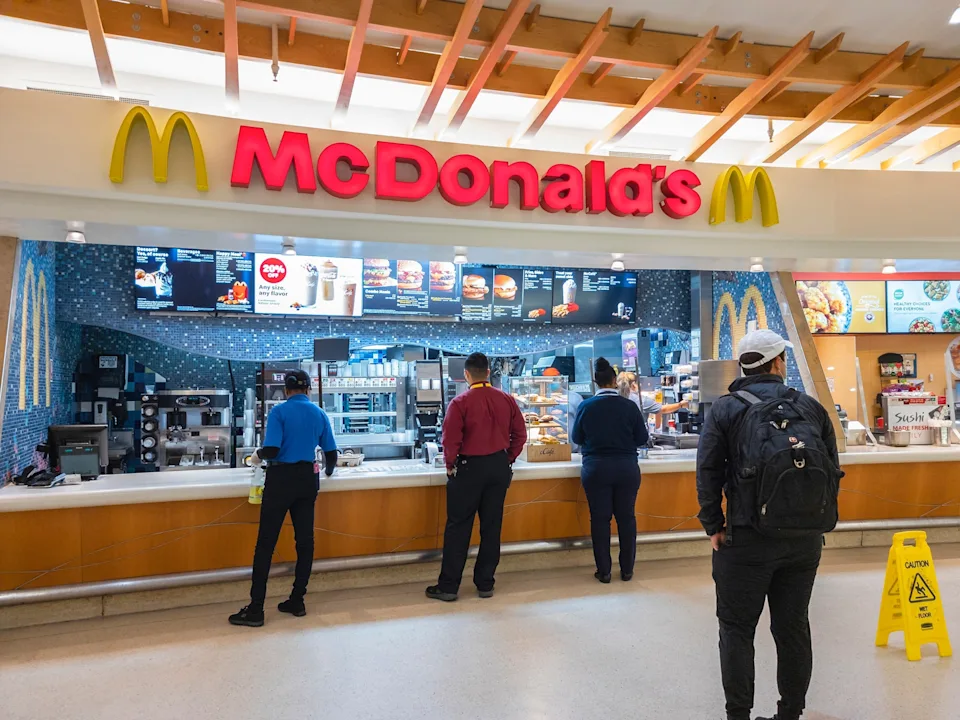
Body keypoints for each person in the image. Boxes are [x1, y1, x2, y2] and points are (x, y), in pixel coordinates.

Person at [696, 329, 842, 720]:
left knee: (737, 630)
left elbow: (708, 470)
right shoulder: (810, 406)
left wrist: (714, 524)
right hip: (804, 541)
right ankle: (790, 713)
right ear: (778, 363)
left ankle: (739, 716)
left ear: (744, 365)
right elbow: (832, 467)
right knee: (793, 628)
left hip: (745, 539)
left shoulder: (726, 409)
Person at [230, 370, 339, 627]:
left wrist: (256, 456)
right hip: (306, 480)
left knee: (266, 543)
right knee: (305, 542)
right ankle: (297, 600)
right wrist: (329, 472)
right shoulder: (319, 413)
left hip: (281, 481)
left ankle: (256, 608)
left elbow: (272, 450)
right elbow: (331, 455)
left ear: (287, 390)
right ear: (309, 390)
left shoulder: (279, 412)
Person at [426, 352, 526, 602]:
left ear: (466, 375)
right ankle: (485, 583)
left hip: (469, 469)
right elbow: (520, 435)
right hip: (499, 468)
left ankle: (449, 586)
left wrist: (450, 465)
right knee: (492, 527)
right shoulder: (507, 400)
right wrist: (507, 458)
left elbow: (450, 440)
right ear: (489, 373)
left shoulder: (460, 403)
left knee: (458, 527)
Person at [572, 358, 649, 583]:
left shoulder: (586, 406)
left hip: (596, 468)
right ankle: (627, 570)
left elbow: (576, 438)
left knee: (599, 519)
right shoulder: (629, 406)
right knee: (626, 518)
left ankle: (604, 571)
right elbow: (642, 438)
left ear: (596, 382)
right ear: (615, 381)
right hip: (626, 468)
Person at [616, 370, 688, 430]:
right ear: (634, 384)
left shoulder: (614, 397)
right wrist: (681, 405)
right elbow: (663, 409)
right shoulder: (640, 400)